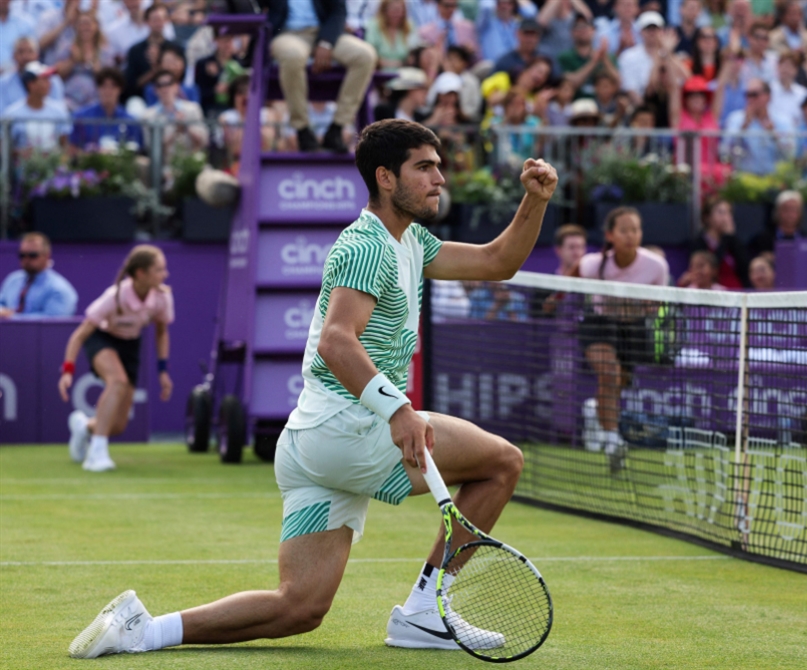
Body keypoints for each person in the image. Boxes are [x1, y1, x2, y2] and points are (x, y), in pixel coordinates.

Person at [67, 118, 559, 659]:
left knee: (298, 607)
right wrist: (397, 410)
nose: (439, 178)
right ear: (386, 178)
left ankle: (144, 630)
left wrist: (534, 201)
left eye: (438, 166)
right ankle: (424, 610)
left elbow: (498, 261)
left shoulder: (412, 240)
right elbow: (336, 341)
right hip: (352, 429)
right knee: (503, 462)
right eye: (424, 167)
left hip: (309, 445)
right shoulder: (367, 245)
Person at [58, 245, 174, 473]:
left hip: (130, 345)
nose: (165, 274)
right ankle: (96, 455)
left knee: (118, 425)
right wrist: (68, 371)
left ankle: (84, 427)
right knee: (117, 380)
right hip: (102, 339)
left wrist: (163, 371)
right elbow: (79, 335)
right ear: (141, 273)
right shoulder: (115, 296)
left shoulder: (162, 297)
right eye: (159, 270)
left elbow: (161, 332)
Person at [574, 206, 669, 473]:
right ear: (611, 235)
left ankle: (598, 414)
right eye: (624, 230)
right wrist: (553, 298)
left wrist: (652, 305)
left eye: (635, 230)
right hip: (600, 324)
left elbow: (660, 303)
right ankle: (613, 442)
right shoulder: (593, 264)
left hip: (634, 329)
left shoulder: (656, 266)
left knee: (618, 384)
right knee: (610, 374)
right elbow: (573, 273)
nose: (631, 235)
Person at [268, 0, 378, 153]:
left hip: (326, 32)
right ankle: (302, 130)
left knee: (365, 56)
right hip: (287, 34)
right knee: (293, 56)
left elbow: (338, 11)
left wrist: (326, 42)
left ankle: (337, 128)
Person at [723, 78, 794, 175]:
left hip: (775, 179)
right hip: (745, 178)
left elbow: (789, 155)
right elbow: (725, 152)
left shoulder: (782, 121)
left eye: (754, 95)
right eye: (747, 95)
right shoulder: (736, 119)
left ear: (768, 97)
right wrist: (743, 128)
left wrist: (774, 135)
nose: (750, 99)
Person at [0, 232, 78, 319]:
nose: (26, 259)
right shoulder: (12, 280)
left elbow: (53, 323)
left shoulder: (59, 289)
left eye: (33, 255)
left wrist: (12, 317)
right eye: (22, 255)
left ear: (47, 256)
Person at [50, 10, 116, 112]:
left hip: (96, 100)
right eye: (81, 24)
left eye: (88, 24)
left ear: (96, 26)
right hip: (70, 99)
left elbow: (110, 79)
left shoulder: (105, 51)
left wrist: (95, 67)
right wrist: (73, 61)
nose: (85, 27)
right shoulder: (68, 47)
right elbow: (57, 74)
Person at [1, 61, 72, 155]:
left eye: (48, 79)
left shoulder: (60, 111)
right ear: (31, 84)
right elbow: (4, 147)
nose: (49, 84)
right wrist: (21, 154)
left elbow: (65, 146)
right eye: (44, 79)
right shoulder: (11, 114)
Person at [679, 197, 749, 289]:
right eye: (721, 212)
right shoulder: (699, 242)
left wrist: (731, 238)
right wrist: (726, 239)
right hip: (712, 291)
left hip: (736, 291)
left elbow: (746, 267)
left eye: (729, 213)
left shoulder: (734, 240)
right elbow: (712, 266)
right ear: (707, 217)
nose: (726, 217)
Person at [70, 67, 143, 150]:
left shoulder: (131, 122)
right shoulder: (82, 117)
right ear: (97, 88)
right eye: (104, 86)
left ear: (120, 89)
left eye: (113, 86)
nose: (108, 91)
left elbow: (138, 152)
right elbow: (72, 149)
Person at [141, 70, 208, 159]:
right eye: (160, 85)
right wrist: (175, 131)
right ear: (155, 90)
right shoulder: (148, 116)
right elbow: (151, 148)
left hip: (192, 163)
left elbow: (204, 142)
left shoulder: (193, 109)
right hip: (162, 166)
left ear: (177, 86)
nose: (165, 89)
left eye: (169, 84)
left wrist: (186, 126)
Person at [0, 36, 66, 113]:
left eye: (30, 51)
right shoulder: (3, 83)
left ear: (37, 54)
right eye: (21, 52)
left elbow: (60, 115)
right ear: (13, 56)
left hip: (48, 123)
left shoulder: (53, 80)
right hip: (15, 124)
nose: (26, 57)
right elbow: (2, 117)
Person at [365, 0, 417, 71]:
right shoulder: (374, 25)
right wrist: (393, 63)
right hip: (379, 72)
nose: (396, 14)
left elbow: (412, 55)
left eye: (399, 10)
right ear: (384, 10)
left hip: (403, 72)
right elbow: (369, 53)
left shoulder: (409, 26)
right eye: (393, 10)